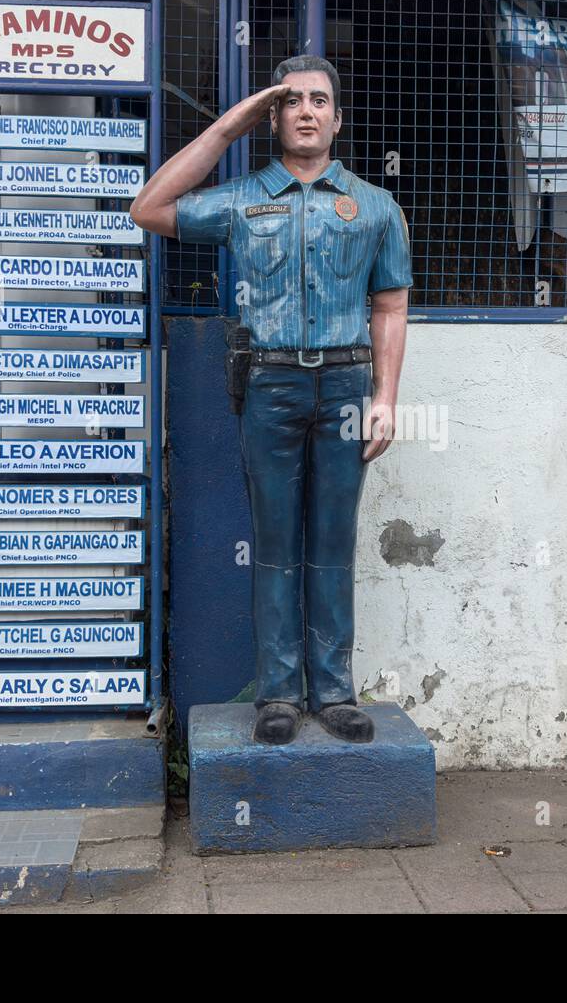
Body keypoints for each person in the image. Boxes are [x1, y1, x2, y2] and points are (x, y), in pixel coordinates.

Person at [130, 55, 412, 746]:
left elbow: (391, 307)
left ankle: (336, 691)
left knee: (333, 541)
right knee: (277, 543)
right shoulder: (241, 199)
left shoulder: (375, 205)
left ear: (338, 119)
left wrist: (386, 397)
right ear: (274, 118)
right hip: (270, 382)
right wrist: (228, 126)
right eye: (291, 102)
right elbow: (149, 207)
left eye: (320, 100)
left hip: (346, 382)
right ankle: (280, 694)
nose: (307, 111)